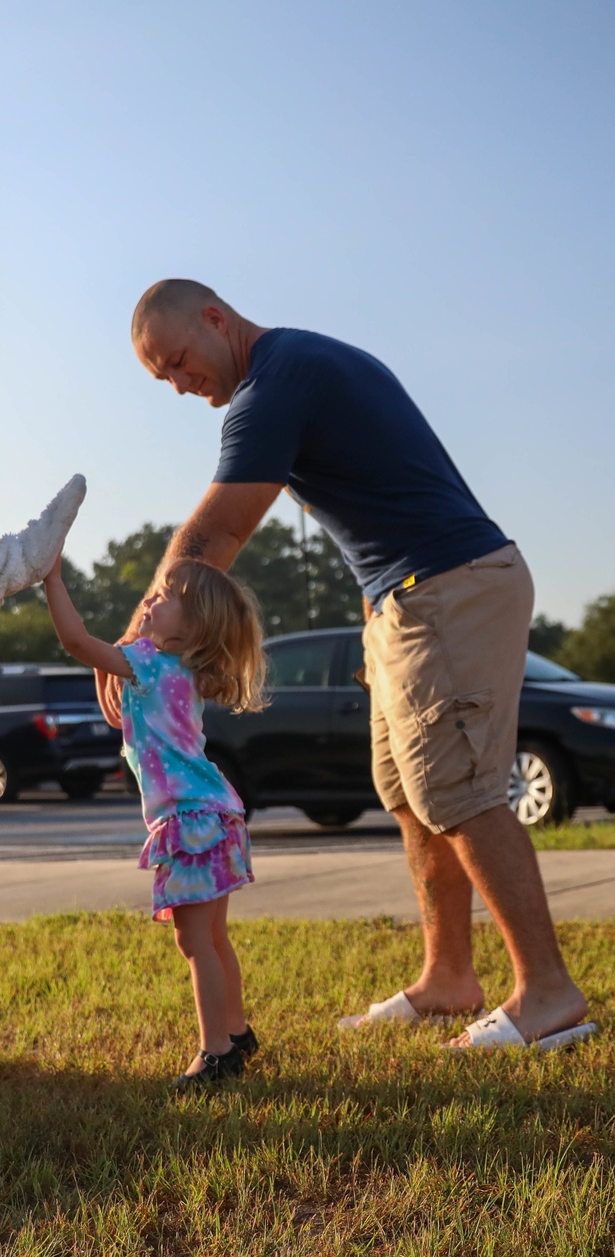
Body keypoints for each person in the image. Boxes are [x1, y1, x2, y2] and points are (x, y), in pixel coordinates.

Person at [97, 277, 594, 1053]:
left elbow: (210, 544)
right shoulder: (293, 369)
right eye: (165, 378)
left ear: (217, 320)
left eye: (180, 362)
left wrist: (134, 643)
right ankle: (447, 979)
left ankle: (549, 993)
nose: (182, 385)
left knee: (457, 791)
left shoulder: (274, 384)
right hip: (400, 599)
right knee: (407, 791)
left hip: (449, 586)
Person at [43, 553, 267, 1087]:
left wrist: (51, 578)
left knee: (195, 945)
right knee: (214, 938)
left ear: (193, 624)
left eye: (164, 596)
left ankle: (215, 1053)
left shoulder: (147, 663)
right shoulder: (178, 671)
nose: (150, 599)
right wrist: (114, 655)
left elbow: (76, 641)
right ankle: (235, 1034)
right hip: (217, 815)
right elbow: (115, 705)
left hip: (191, 821)